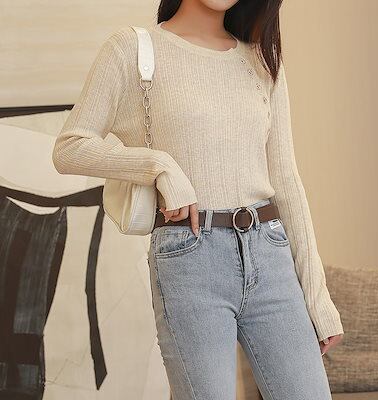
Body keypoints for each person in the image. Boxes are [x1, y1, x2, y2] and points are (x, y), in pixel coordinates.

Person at [52, 0, 344, 398]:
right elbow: (70, 147)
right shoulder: (132, 50)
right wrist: (158, 166)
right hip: (190, 258)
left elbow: (287, 182)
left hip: (271, 253)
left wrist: (317, 296)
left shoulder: (260, 60)